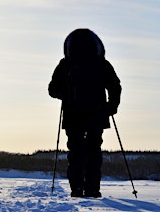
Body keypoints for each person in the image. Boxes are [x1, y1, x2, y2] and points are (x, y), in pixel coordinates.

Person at [48, 28, 121, 198]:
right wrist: (111, 107)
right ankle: (92, 190)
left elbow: (52, 89)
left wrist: (66, 94)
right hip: (97, 116)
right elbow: (115, 86)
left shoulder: (66, 64)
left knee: (76, 154)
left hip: (73, 117)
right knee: (94, 152)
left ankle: (77, 189)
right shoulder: (101, 63)